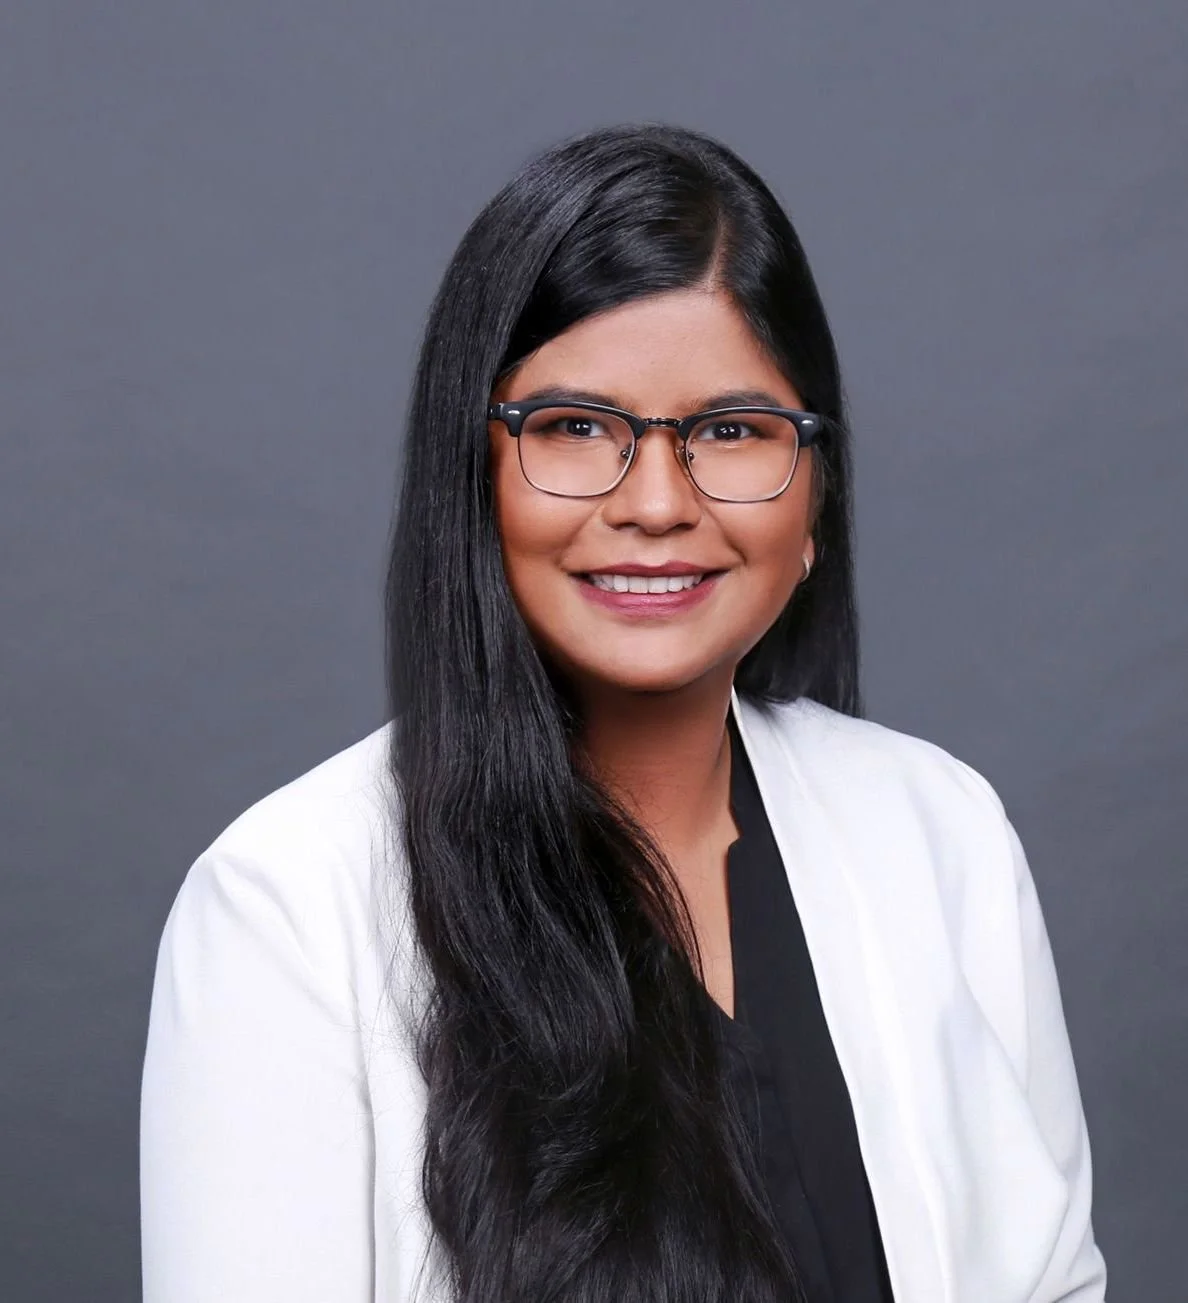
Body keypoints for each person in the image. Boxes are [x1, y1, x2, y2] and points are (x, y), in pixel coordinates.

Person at [140, 124, 1107, 1302]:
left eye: (734, 431)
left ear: (816, 496)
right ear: (474, 476)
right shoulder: (284, 908)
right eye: (577, 428)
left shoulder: (942, 829)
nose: (656, 503)